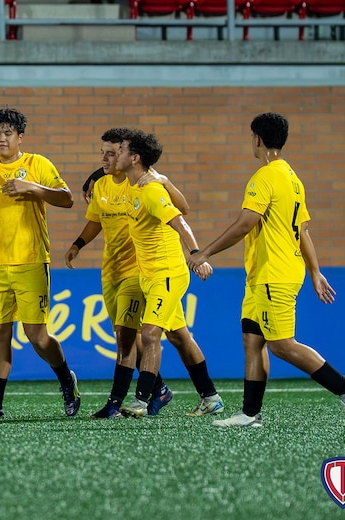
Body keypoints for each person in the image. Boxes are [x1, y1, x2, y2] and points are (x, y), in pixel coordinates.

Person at [187, 112, 345, 427]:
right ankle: (250, 413)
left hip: (275, 274)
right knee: (252, 340)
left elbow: (244, 225)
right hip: (264, 275)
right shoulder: (292, 179)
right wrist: (315, 272)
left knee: (282, 345)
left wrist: (205, 253)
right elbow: (303, 231)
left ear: (257, 138)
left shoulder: (265, 177)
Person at [0, 107, 81, 420]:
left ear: (20, 137)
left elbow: (67, 198)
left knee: (36, 335)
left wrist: (33, 188)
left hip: (31, 260)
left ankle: (66, 377)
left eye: (8, 133)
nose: (1, 139)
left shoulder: (37, 164)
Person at [66, 128, 193, 418]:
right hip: (111, 271)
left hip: (140, 272)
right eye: (104, 154)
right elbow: (96, 220)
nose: (106, 158)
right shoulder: (101, 185)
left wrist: (196, 254)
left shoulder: (144, 185)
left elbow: (181, 213)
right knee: (136, 338)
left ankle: (122, 402)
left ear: (129, 156)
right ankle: (172, 391)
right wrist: (78, 244)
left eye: (113, 153)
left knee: (142, 337)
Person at [109, 127, 223, 418]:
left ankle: (141, 400)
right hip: (150, 275)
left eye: (120, 151)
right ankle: (210, 397)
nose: (114, 154)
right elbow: (183, 205)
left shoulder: (150, 190)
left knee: (149, 335)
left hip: (167, 274)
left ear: (134, 158)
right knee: (180, 337)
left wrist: (197, 255)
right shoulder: (138, 186)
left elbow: (180, 220)